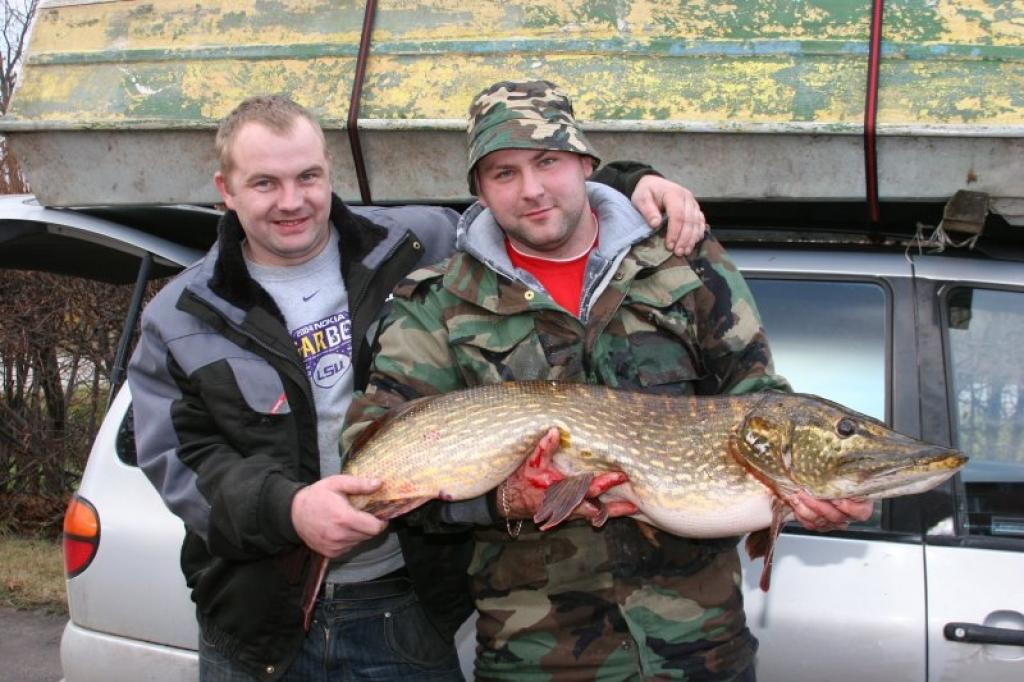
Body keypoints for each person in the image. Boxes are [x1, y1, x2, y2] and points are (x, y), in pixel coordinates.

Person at [126, 93, 710, 681]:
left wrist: (637, 182)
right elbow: (180, 462)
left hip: (404, 605)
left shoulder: (414, 242)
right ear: (225, 189)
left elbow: (526, 195)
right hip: (258, 616)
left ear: (331, 173)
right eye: (264, 184)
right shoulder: (182, 314)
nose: (292, 201)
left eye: (308, 176)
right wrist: (291, 509)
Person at [342, 80, 873, 681]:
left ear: (586, 164)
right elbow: (377, 455)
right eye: (503, 173)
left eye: (548, 161)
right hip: (537, 660)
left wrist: (804, 486)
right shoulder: (435, 306)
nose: (532, 189)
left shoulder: (686, 262)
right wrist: (501, 500)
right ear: (480, 190)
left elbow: (758, 403)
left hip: (701, 651)